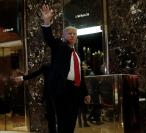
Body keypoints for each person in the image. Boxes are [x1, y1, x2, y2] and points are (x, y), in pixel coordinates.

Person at [40, 4, 91, 133]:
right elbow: (49, 39)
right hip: (63, 90)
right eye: (69, 33)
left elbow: (80, 75)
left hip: (76, 91)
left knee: (72, 122)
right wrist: (47, 22)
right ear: (64, 36)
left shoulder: (77, 54)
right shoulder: (60, 47)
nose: (72, 35)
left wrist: (85, 93)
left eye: (74, 33)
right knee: (63, 123)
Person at [14, 63, 56, 133]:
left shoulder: (63, 64)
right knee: (51, 118)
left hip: (61, 95)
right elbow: (35, 74)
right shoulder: (47, 66)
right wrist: (22, 78)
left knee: (60, 117)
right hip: (49, 95)